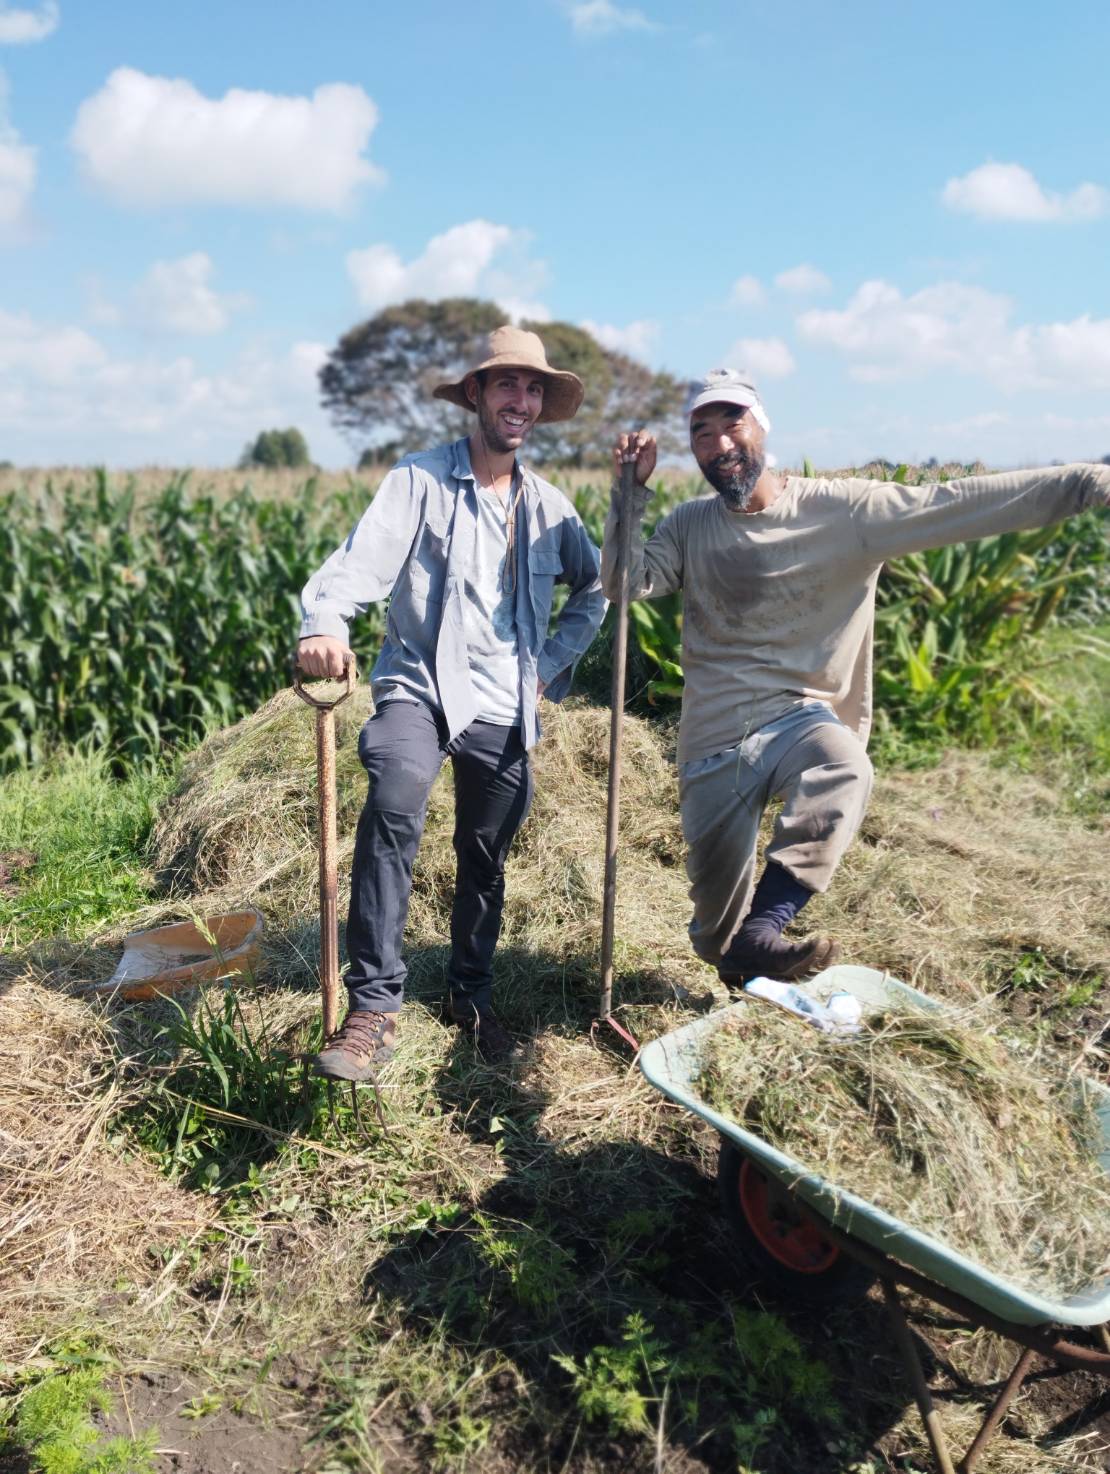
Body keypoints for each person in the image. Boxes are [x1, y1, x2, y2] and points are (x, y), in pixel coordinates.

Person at [605, 369, 1109, 986]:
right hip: (713, 735)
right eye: (701, 432)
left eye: (732, 422)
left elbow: (957, 504)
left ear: (762, 425)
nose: (719, 443)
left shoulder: (844, 510)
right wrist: (628, 494)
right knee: (716, 932)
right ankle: (742, 967)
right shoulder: (689, 524)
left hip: (800, 714)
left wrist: (1089, 483)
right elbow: (624, 583)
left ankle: (766, 931)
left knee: (843, 765)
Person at [298, 326, 606, 1073]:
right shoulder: (420, 482)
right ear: (475, 394)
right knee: (397, 795)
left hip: (506, 700)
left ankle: (470, 998)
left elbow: (594, 592)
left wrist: (548, 669)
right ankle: (373, 1007)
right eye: (506, 385)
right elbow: (356, 567)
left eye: (533, 390)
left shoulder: (552, 509)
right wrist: (323, 623)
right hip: (422, 686)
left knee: (485, 852)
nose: (521, 401)